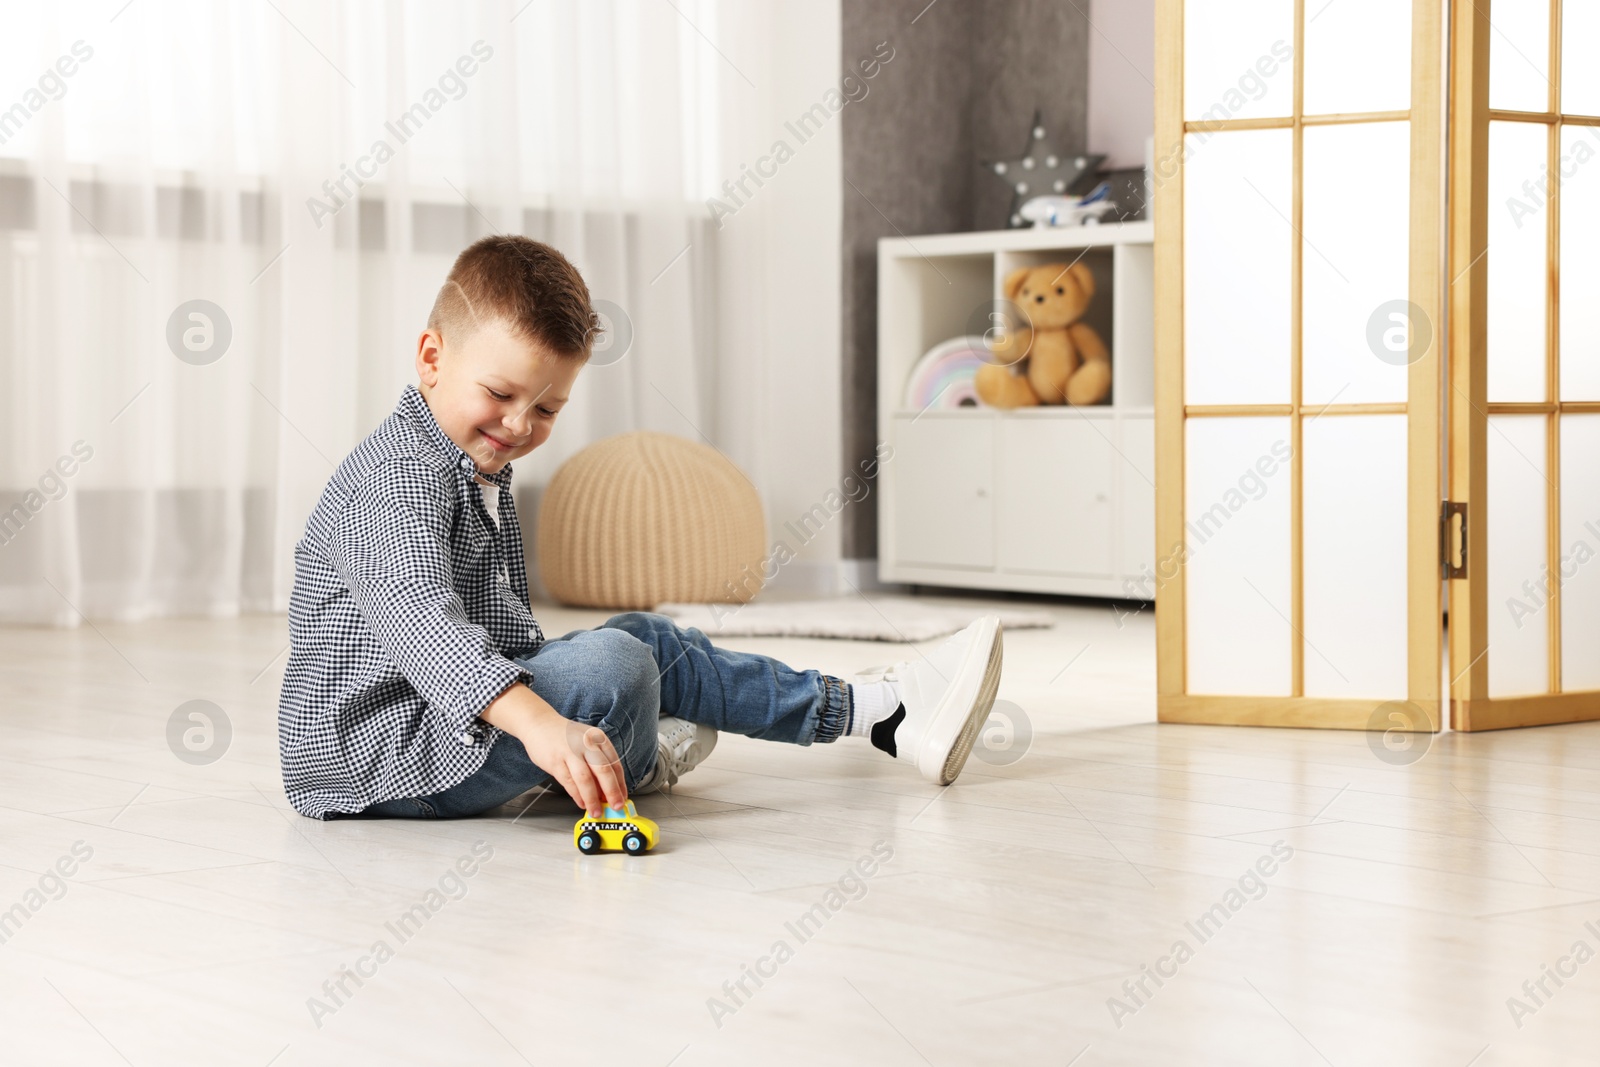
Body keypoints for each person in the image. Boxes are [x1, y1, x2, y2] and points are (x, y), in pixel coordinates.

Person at [276, 235, 1004, 822]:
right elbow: (418, 620)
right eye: (499, 394)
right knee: (614, 671)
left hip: (449, 717)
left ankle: (878, 712)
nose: (519, 425)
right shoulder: (394, 479)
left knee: (645, 640)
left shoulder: (467, 455)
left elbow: (500, 631)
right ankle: (638, 753)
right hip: (384, 751)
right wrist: (540, 722)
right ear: (432, 359)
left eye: (547, 408)